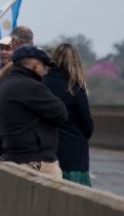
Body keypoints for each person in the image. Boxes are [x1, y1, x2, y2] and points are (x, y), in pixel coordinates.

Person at [0, 46, 68, 176]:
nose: (45, 71)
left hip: (13, 157)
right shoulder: (31, 87)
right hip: (36, 162)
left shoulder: (4, 86)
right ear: (36, 65)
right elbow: (61, 113)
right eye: (44, 66)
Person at [45, 43, 94, 186]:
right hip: (74, 154)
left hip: (49, 150)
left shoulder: (43, 84)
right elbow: (87, 125)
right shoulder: (75, 88)